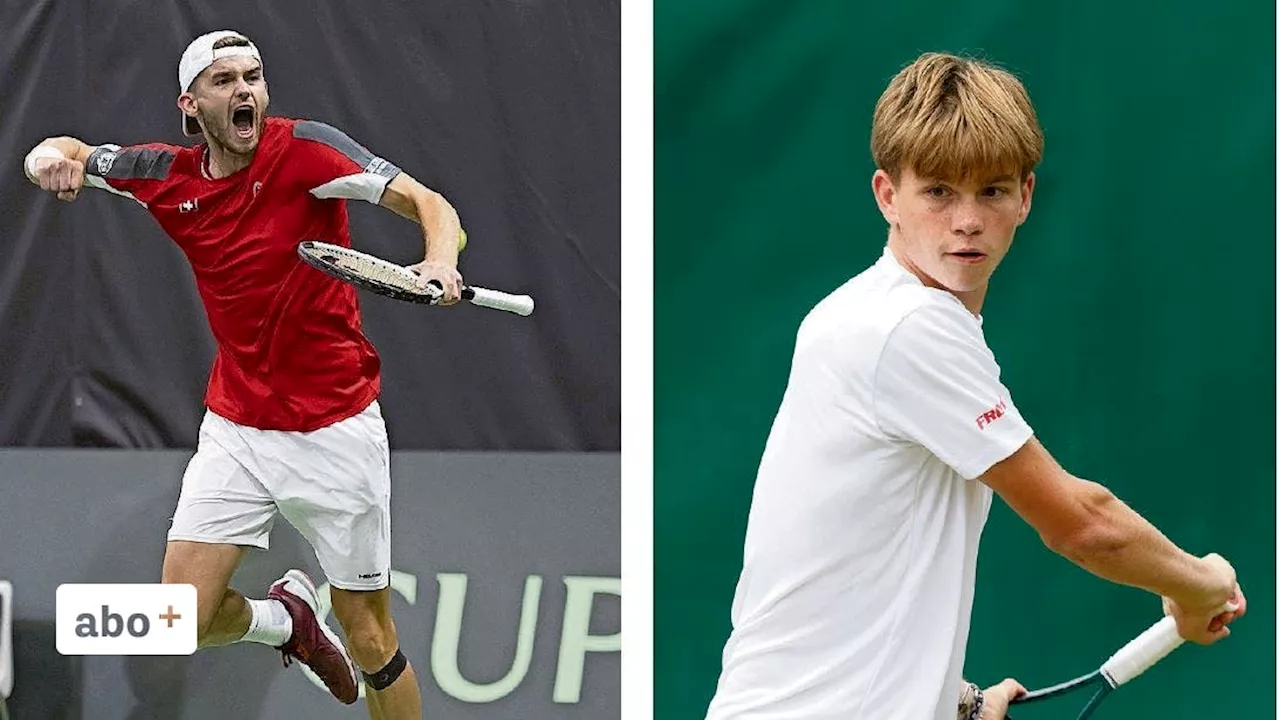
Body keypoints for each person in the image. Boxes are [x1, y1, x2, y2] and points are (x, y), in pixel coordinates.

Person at [702, 52, 1246, 720]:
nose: (967, 220)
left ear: (1024, 198)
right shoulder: (908, 329)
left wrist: (948, 698)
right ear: (887, 196)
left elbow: (843, 553)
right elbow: (1081, 524)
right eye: (938, 191)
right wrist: (1198, 586)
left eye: (990, 190)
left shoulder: (862, 312)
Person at [22, 30, 465, 719]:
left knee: (371, 636)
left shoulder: (309, 151)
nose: (244, 92)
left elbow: (432, 204)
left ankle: (320, 628)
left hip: (335, 429)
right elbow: (69, 152)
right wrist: (46, 159)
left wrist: (439, 260)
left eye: (253, 77)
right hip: (238, 429)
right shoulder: (165, 177)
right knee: (178, 620)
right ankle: (286, 621)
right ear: (190, 104)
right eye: (224, 81)